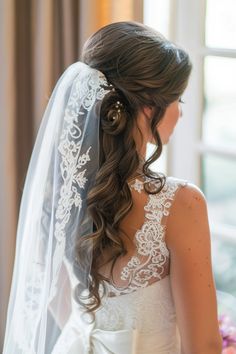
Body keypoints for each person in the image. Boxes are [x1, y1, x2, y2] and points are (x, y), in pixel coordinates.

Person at [3, 21, 223, 354]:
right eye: (178, 99)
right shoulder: (181, 204)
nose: (180, 111)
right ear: (148, 108)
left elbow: (61, 303)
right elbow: (203, 347)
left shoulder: (64, 188)